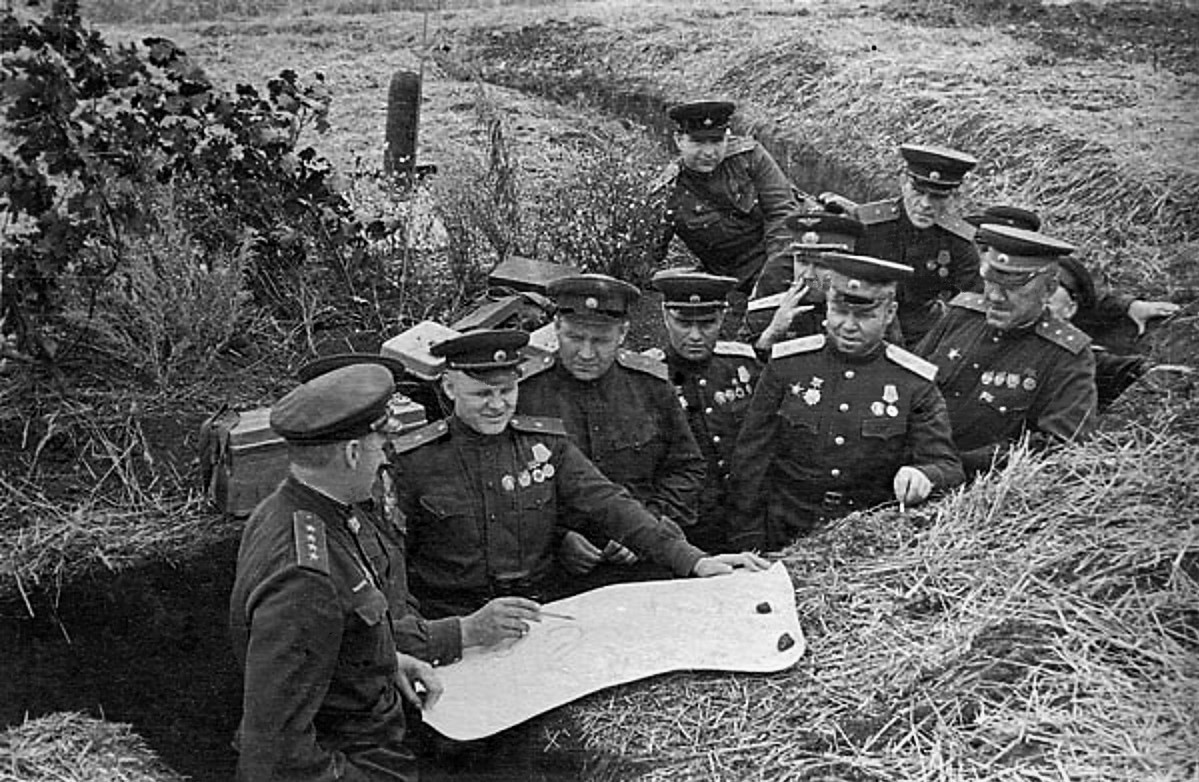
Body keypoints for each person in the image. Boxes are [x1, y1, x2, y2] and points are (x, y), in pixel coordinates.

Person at [388, 329, 769, 619]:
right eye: (482, 395)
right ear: (449, 388)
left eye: (507, 391)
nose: (497, 405)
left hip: (542, 612)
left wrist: (695, 561)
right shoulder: (414, 462)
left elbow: (611, 504)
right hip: (455, 618)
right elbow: (393, 563)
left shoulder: (544, 444)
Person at [229, 362, 443, 782]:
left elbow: (335, 642)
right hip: (356, 759)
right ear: (351, 453)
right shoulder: (306, 576)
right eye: (381, 446)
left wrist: (388, 662)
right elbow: (275, 753)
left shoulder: (298, 509)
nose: (384, 459)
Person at [728, 252, 965, 552]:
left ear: (889, 313)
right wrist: (748, 543)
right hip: (783, 530)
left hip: (865, 544)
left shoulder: (913, 383)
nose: (849, 326)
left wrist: (925, 475)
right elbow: (750, 460)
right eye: (840, 312)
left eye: (865, 316)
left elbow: (947, 465)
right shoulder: (787, 366)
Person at [516, 273, 708, 582]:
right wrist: (558, 539)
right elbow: (507, 486)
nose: (586, 353)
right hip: (557, 571)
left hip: (648, 561)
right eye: (575, 338)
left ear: (623, 334)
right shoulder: (524, 394)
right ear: (556, 327)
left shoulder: (651, 386)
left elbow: (687, 469)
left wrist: (649, 524)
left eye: (601, 341)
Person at [915, 224, 1098, 475]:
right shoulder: (962, 315)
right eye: (990, 282)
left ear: (1049, 288)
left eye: (1012, 287)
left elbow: (1061, 446)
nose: (995, 297)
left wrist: (956, 465)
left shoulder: (1067, 355)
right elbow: (909, 380)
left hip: (972, 482)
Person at [965, 205, 1185, 409]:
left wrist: (1129, 307)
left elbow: (1108, 363)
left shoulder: (1067, 351)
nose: (984, 254)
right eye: (983, 246)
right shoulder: (971, 305)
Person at [645, 269, 763, 552]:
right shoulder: (646, 378)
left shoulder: (742, 365)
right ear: (665, 316)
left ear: (722, 317)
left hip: (744, 518)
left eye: (708, 323)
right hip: (682, 525)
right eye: (684, 323)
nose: (696, 336)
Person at [648, 99, 803, 293]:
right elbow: (648, 254)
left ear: (727, 137)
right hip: (734, 278)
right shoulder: (667, 193)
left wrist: (773, 280)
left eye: (717, 141)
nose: (709, 152)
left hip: (786, 260)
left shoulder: (750, 158)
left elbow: (783, 215)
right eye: (698, 142)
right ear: (679, 140)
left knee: (822, 287)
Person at [837, 143, 983, 348]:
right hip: (859, 323)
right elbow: (821, 278)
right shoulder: (866, 224)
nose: (925, 204)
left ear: (953, 196)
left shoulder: (957, 242)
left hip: (922, 336)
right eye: (918, 192)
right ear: (903, 183)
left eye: (938, 196)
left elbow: (977, 301)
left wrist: (948, 335)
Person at [741, 209, 865, 355]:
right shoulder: (772, 303)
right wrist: (771, 335)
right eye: (802, 262)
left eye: (821, 265)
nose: (808, 275)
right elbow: (740, 365)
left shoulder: (867, 310)